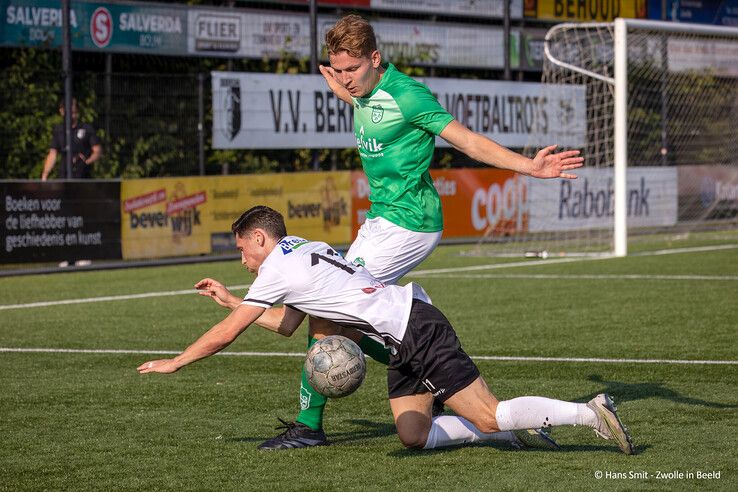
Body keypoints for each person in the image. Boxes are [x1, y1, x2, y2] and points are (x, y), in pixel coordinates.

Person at [259, 14, 585, 449]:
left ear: (376, 59)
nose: (346, 79)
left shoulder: (409, 97)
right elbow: (362, 101)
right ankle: (429, 374)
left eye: (352, 69)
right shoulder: (362, 90)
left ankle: (308, 427)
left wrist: (530, 166)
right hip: (380, 223)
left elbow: (466, 140)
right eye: (338, 70)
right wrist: (341, 87)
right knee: (352, 317)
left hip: (408, 226)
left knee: (329, 317)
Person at [137, 206, 634, 455]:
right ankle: (512, 430)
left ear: (261, 239)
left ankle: (587, 413)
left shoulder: (276, 269)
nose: (242, 260)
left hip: (416, 329)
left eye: (244, 249)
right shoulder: (301, 250)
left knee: (487, 415)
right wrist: (232, 299)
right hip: (403, 339)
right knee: (414, 435)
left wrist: (177, 360)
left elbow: (227, 334)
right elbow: (289, 324)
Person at [41, 98, 102, 181]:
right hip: (64, 176)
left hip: (82, 177)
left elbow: (97, 151)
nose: (72, 114)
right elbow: (52, 154)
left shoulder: (86, 129)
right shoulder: (59, 130)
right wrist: (45, 175)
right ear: (62, 111)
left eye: (74, 111)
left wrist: (86, 162)